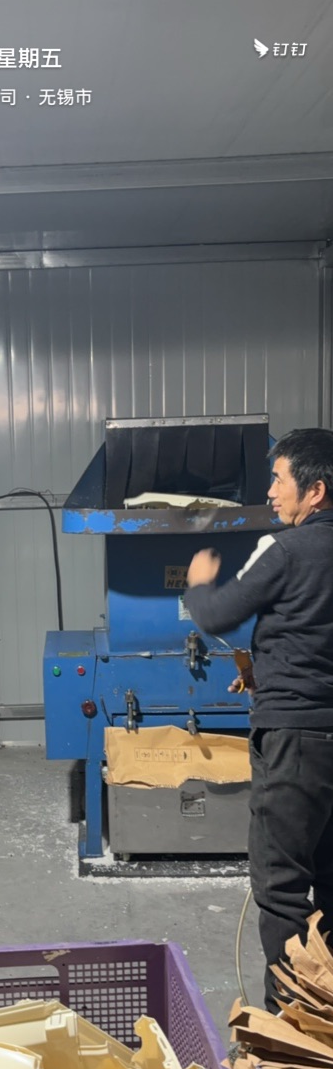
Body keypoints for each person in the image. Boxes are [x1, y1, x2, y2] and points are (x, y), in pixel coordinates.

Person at [185, 428, 333, 1014]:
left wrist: (198, 582)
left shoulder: (286, 549)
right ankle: (326, 1021)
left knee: (282, 887)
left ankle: (290, 1029)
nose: (271, 491)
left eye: (279, 479)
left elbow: (219, 613)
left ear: (315, 491)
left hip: (295, 740)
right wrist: (267, 666)